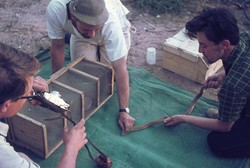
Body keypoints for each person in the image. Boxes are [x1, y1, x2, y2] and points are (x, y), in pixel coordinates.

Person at [164, 7, 250, 157]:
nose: (199, 50)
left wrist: (184, 118)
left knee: (217, 142)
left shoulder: (233, 86)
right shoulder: (243, 38)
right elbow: (242, 68)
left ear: (224, 44)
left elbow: (224, 127)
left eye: (204, 45)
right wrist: (222, 75)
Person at [46, 0, 135, 133]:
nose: (92, 34)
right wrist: (57, 86)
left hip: (112, 32)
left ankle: (94, 32)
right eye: (88, 29)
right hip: (79, 36)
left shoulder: (111, 22)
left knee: (106, 78)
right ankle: (88, 34)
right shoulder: (56, 9)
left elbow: (120, 69)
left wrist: (124, 110)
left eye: (96, 29)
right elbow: (57, 47)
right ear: (73, 17)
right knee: (84, 78)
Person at [0, 42, 88, 168]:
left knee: (22, 156)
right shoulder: (3, 155)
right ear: (6, 105)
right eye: (28, 94)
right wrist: (71, 148)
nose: (32, 93)